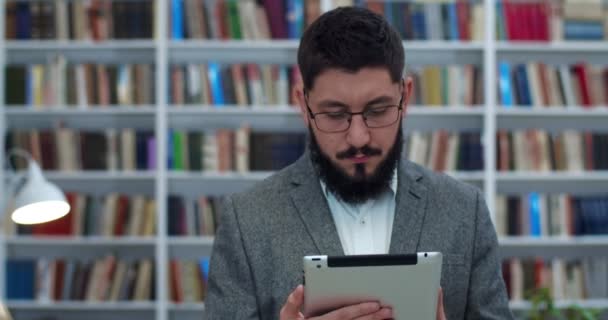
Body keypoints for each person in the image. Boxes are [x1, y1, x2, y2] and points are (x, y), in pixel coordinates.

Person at [203, 6, 513, 320]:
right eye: (335, 115)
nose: (358, 137)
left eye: (377, 110)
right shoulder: (246, 220)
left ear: (405, 96)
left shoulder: (464, 210)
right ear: (302, 104)